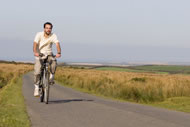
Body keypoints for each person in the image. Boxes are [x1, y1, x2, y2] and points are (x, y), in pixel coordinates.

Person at [33, 22, 61, 97]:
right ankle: (36, 87)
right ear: (44, 28)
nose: (48, 29)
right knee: (37, 71)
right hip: (40, 54)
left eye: (50, 28)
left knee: (54, 62)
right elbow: (35, 44)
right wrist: (35, 52)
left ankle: (51, 76)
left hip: (49, 54)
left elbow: (57, 44)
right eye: (47, 28)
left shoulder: (53, 35)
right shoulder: (39, 34)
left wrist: (58, 52)